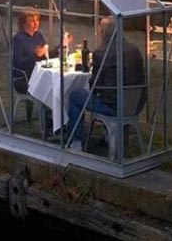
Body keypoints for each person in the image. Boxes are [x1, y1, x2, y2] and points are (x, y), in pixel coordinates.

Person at [65, 17, 145, 150]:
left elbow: (94, 84)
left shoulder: (102, 53)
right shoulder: (134, 49)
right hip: (135, 104)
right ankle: (110, 136)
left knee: (75, 95)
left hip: (113, 106)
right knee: (113, 91)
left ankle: (76, 142)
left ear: (102, 33)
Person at [11, 11, 46, 94]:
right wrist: (34, 54)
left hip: (38, 74)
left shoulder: (39, 36)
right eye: (32, 21)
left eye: (37, 20)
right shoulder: (18, 39)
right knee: (49, 87)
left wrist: (61, 45)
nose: (36, 23)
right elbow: (18, 63)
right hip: (24, 78)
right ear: (23, 24)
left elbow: (45, 56)